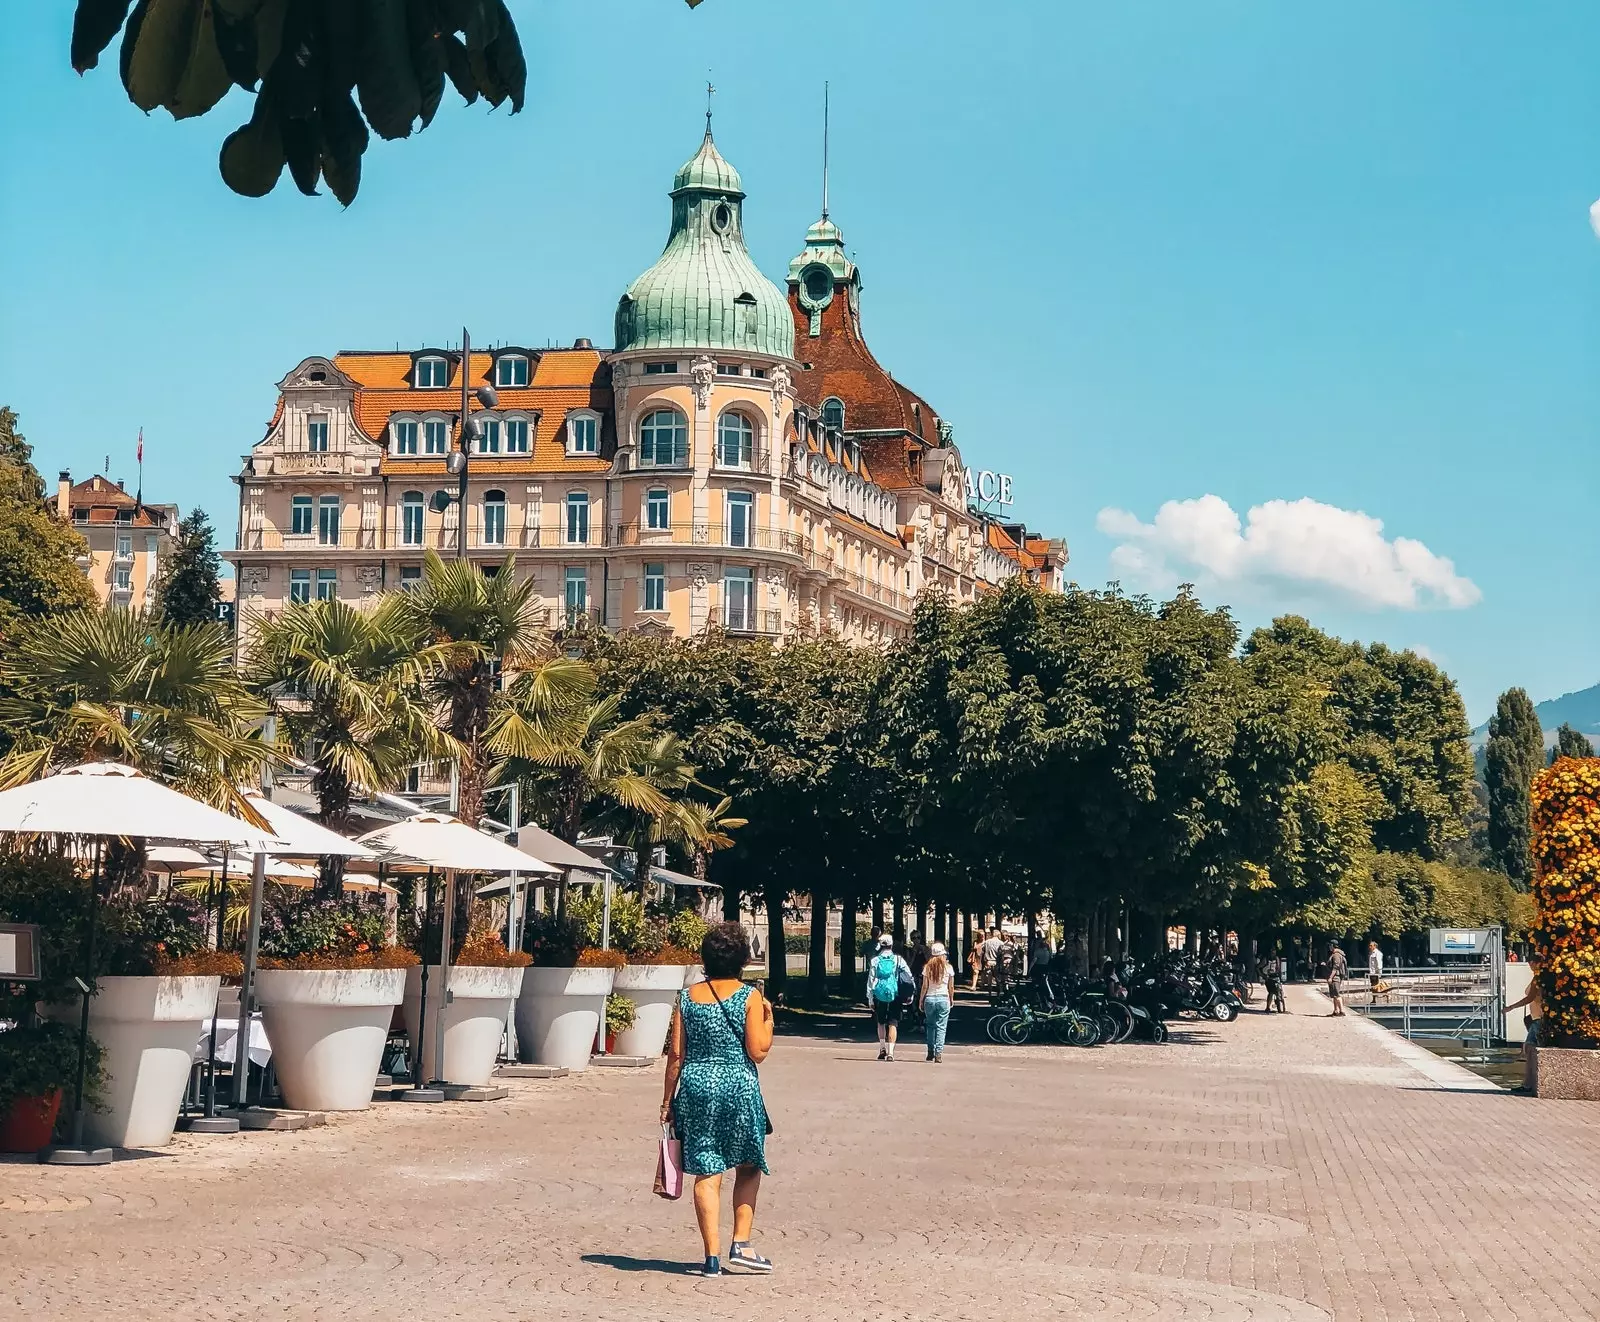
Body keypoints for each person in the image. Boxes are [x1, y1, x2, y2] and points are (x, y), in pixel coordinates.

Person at [661, 921, 775, 1277]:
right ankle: (741, 1243)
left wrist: (667, 1102)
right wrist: (769, 1021)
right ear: (742, 959)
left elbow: (676, 1056)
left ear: (705, 958)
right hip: (737, 1086)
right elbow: (757, 1051)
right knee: (748, 1163)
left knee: (708, 1171)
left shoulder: (686, 997)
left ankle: (711, 1258)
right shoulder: (749, 996)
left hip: (696, 1087)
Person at [865, 933, 913, 1061]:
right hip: (895, 994)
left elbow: (871, 980)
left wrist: (870, 997)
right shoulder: (898, 960)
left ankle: (882, 1048)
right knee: (893, 1023)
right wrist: (910, 993)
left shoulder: (875, 960)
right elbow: (909, 976)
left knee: (881, 1022)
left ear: (880, 945)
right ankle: (891, 1052)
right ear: (892, 945)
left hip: (879, 994)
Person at [1506, 959, 1543, 1089]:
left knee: (1529, 1048)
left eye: (1532, 964)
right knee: (1529, 1048)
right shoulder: (1538, 977)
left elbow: (1530, 998)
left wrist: (1511, 1007)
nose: (1531, 967)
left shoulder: (1539, 978)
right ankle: (1530, 1082)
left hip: (1539, 1019)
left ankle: (1529, 1083)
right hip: (1536, 1017)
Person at [919, 941, 956, 1062]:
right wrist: (951, 998)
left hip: (929, 998)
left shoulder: (927, 968)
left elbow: (924, 986)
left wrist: (921, 1000)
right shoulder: (948, 968)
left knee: (930, 1026)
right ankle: (938, 1053)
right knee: (941, 1027)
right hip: (943, 998)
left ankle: (930, 1051)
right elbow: (951, 987)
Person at [1326, 944, 1348, 1017]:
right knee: (1334, 995)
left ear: (1333, 946)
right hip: (1335, 977)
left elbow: (1336, 967)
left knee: (1337, 994)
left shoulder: (1336, 955)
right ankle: (1335, 1011)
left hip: (1336, 977)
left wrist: (1330, 977)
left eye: (1330, 946)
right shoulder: (1335, 954)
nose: (1329, 947)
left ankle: (1342, 1011)